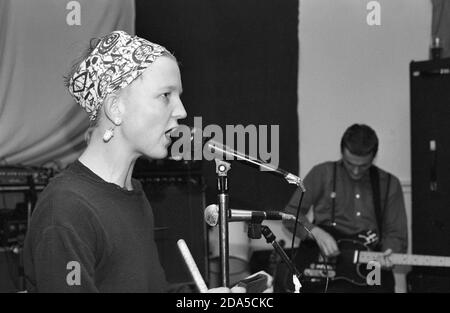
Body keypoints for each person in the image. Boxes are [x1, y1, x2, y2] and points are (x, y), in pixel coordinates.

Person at [23, 30, 272, 293]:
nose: (181, 111)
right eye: (166, 95)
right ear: (115, 107)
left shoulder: (134, 196)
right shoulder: (66, 210)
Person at [282, 124, 407, 293]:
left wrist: (389, 253)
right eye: (349, 164)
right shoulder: (322, 173)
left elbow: (396, 234)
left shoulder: (390, 184)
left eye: (363, 166)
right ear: (342, 153)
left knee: (380, 288)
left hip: (371, 263)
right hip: (327, 261)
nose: (356, 171)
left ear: (373, 157)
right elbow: (289, 215)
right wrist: (316, 232)